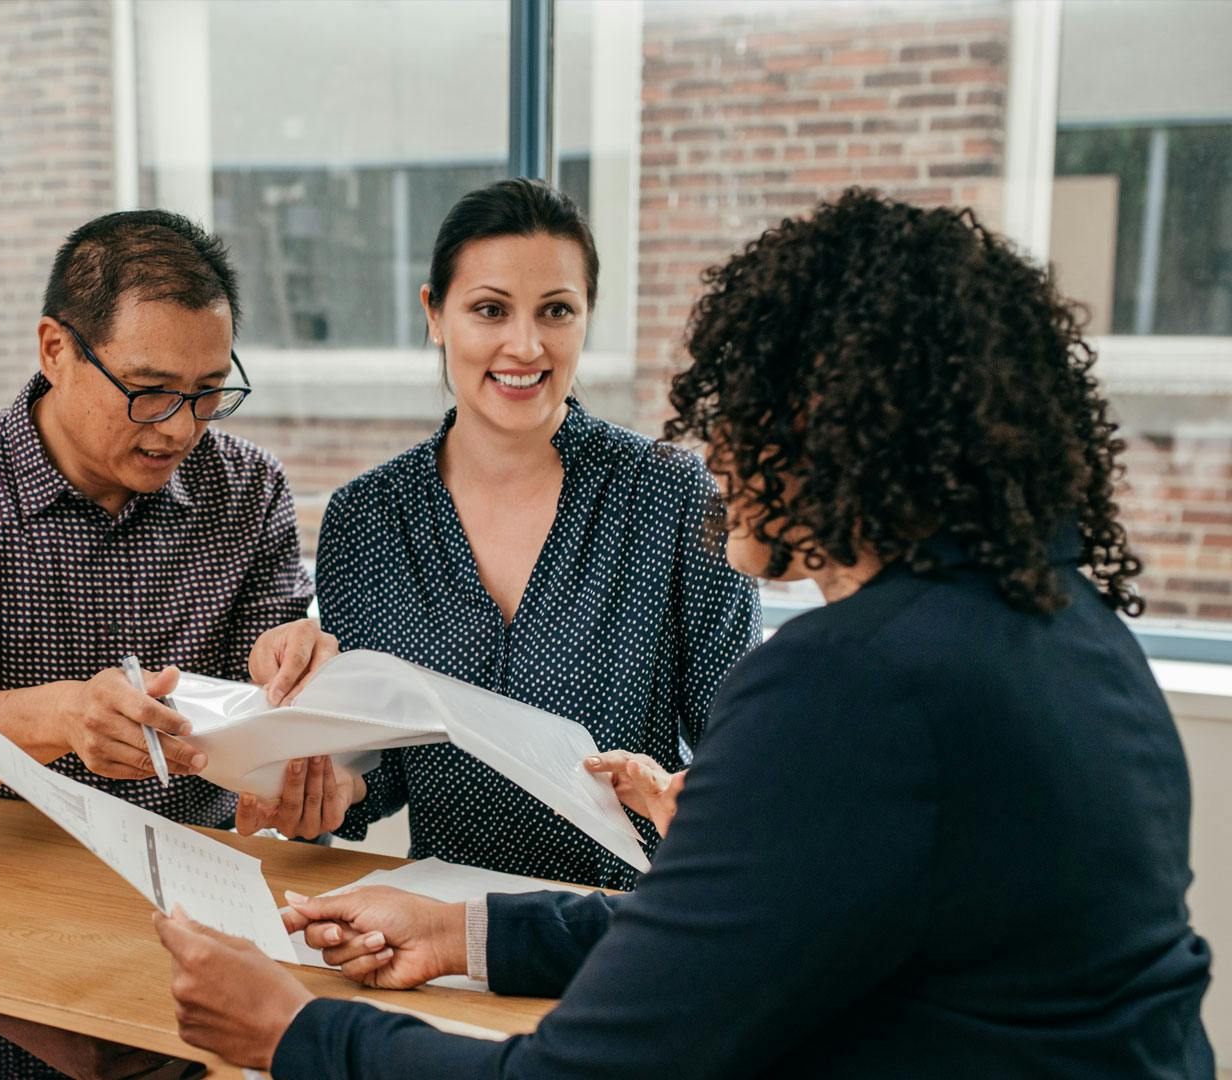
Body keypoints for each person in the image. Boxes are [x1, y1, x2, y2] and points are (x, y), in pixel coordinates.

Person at [152, 189, 1217, 1078]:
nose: (715, 450)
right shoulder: (1069, 633)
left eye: (733, 409)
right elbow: (762, 933)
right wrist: (472, 931)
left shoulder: (854, 681)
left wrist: (297, 1034)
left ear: (811, 426)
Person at [0, 209, 340, 1077]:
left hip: (200, 945)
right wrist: (69, 717)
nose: (181, 428)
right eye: (149, 389)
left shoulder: (250, 490)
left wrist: (305, 736)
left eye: (209, 390)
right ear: (55, 349)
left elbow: (272, 685)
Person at [289, 178, 759, 887]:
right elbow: (377, 770)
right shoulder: (366, 521)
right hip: (433, 928)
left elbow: (742, 749)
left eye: (556, 311)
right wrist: (332, 790)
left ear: (586, 317)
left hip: (626, 932)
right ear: (435, 314)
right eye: (489, 309)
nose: (525, 344)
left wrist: (678, 793)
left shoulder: (672, 495)